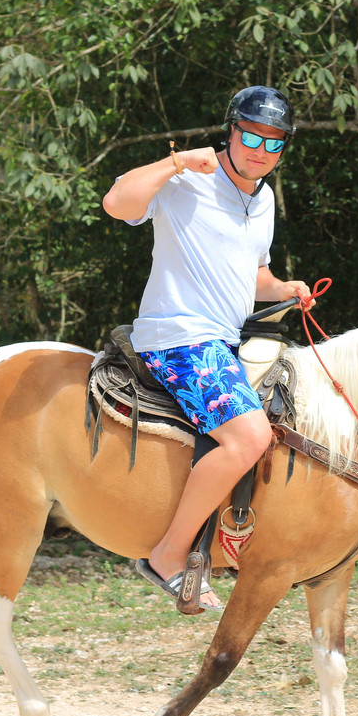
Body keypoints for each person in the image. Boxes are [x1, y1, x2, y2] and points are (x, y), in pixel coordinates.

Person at [101, 86, 314, 613]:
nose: (260, 150)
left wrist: (285, 288)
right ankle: (168, 556)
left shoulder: (262, 199)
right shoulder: (188, 178)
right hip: (178, 335)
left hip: (223, 339)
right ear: (231, 131)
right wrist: (173, 162)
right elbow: (116, 203)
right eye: (250, 136)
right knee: (249, 438)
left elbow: (253, 275)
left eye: (274, 143)